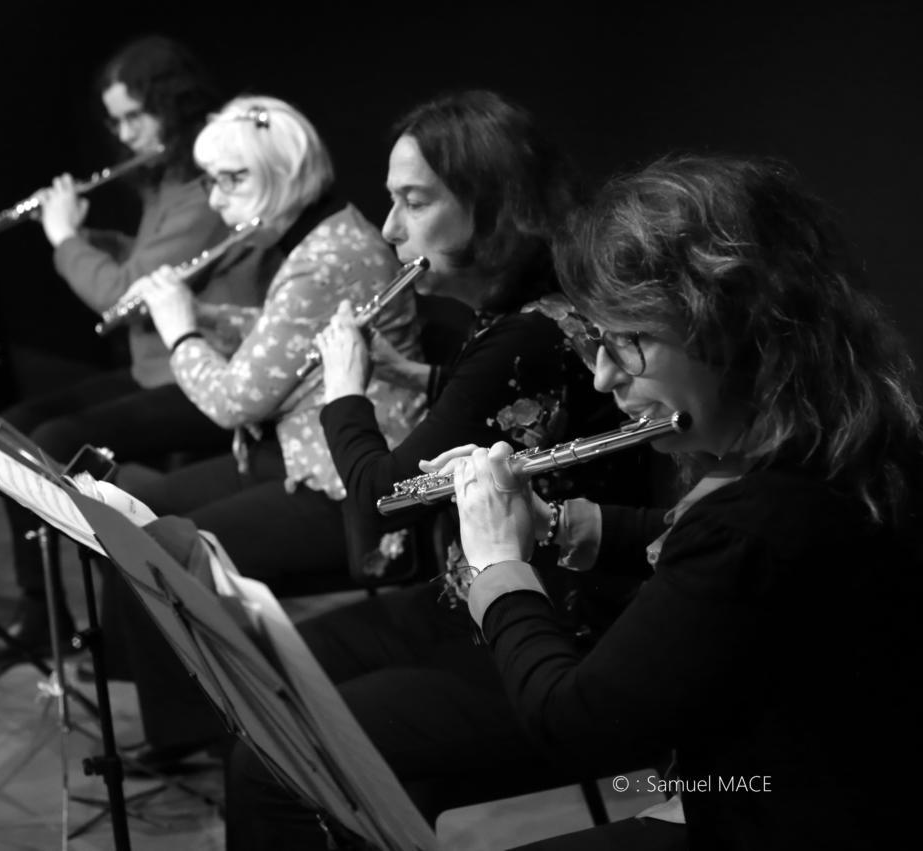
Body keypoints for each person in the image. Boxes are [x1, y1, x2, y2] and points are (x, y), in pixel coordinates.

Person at [439, 155, 923, 849]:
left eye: (631, 340)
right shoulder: (858, 446)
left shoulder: (758, 520)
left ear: (737, 330)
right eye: (598, 340)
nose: (603, 376)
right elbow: (729, 570)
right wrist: (557, 522)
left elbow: (574, 725)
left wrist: (496, 563)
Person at [218, 90, 660, 849]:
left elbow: (381, 498)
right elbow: (518, 407)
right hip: (471, 598)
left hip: (549, 635)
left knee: (276, 758)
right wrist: (422, 378)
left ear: (494, 207)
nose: (390, 229)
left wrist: (344, 389)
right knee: (274, 673)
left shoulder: (523, 334)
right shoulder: (531, 312)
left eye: (414, 202)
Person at [95, 93, 427, 763]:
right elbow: (286, 332)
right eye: (212, 181)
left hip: (351, 486)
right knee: (134, 516)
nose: (218, 199)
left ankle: (212, 737)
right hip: (303, 453)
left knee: (164, 549)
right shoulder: (321, 235)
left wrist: (180, 328)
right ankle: (181, 713)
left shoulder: (323, 256)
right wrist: (208, 316)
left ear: (283, 173)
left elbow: (232, 403)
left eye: (233, 179)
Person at [0, 38, 281, 667]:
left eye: (136, 115)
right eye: (116, 121)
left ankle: (127, 633)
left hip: (204, 374)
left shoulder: (207, 185)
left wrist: (64, 238)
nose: (126, 133)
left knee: (56, 441)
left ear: (173, 104)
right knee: (16, 427)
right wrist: (86, 235)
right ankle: (44, 612)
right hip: (155, 369)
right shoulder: (167, 180)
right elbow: (146, 262)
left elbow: (122, 295)